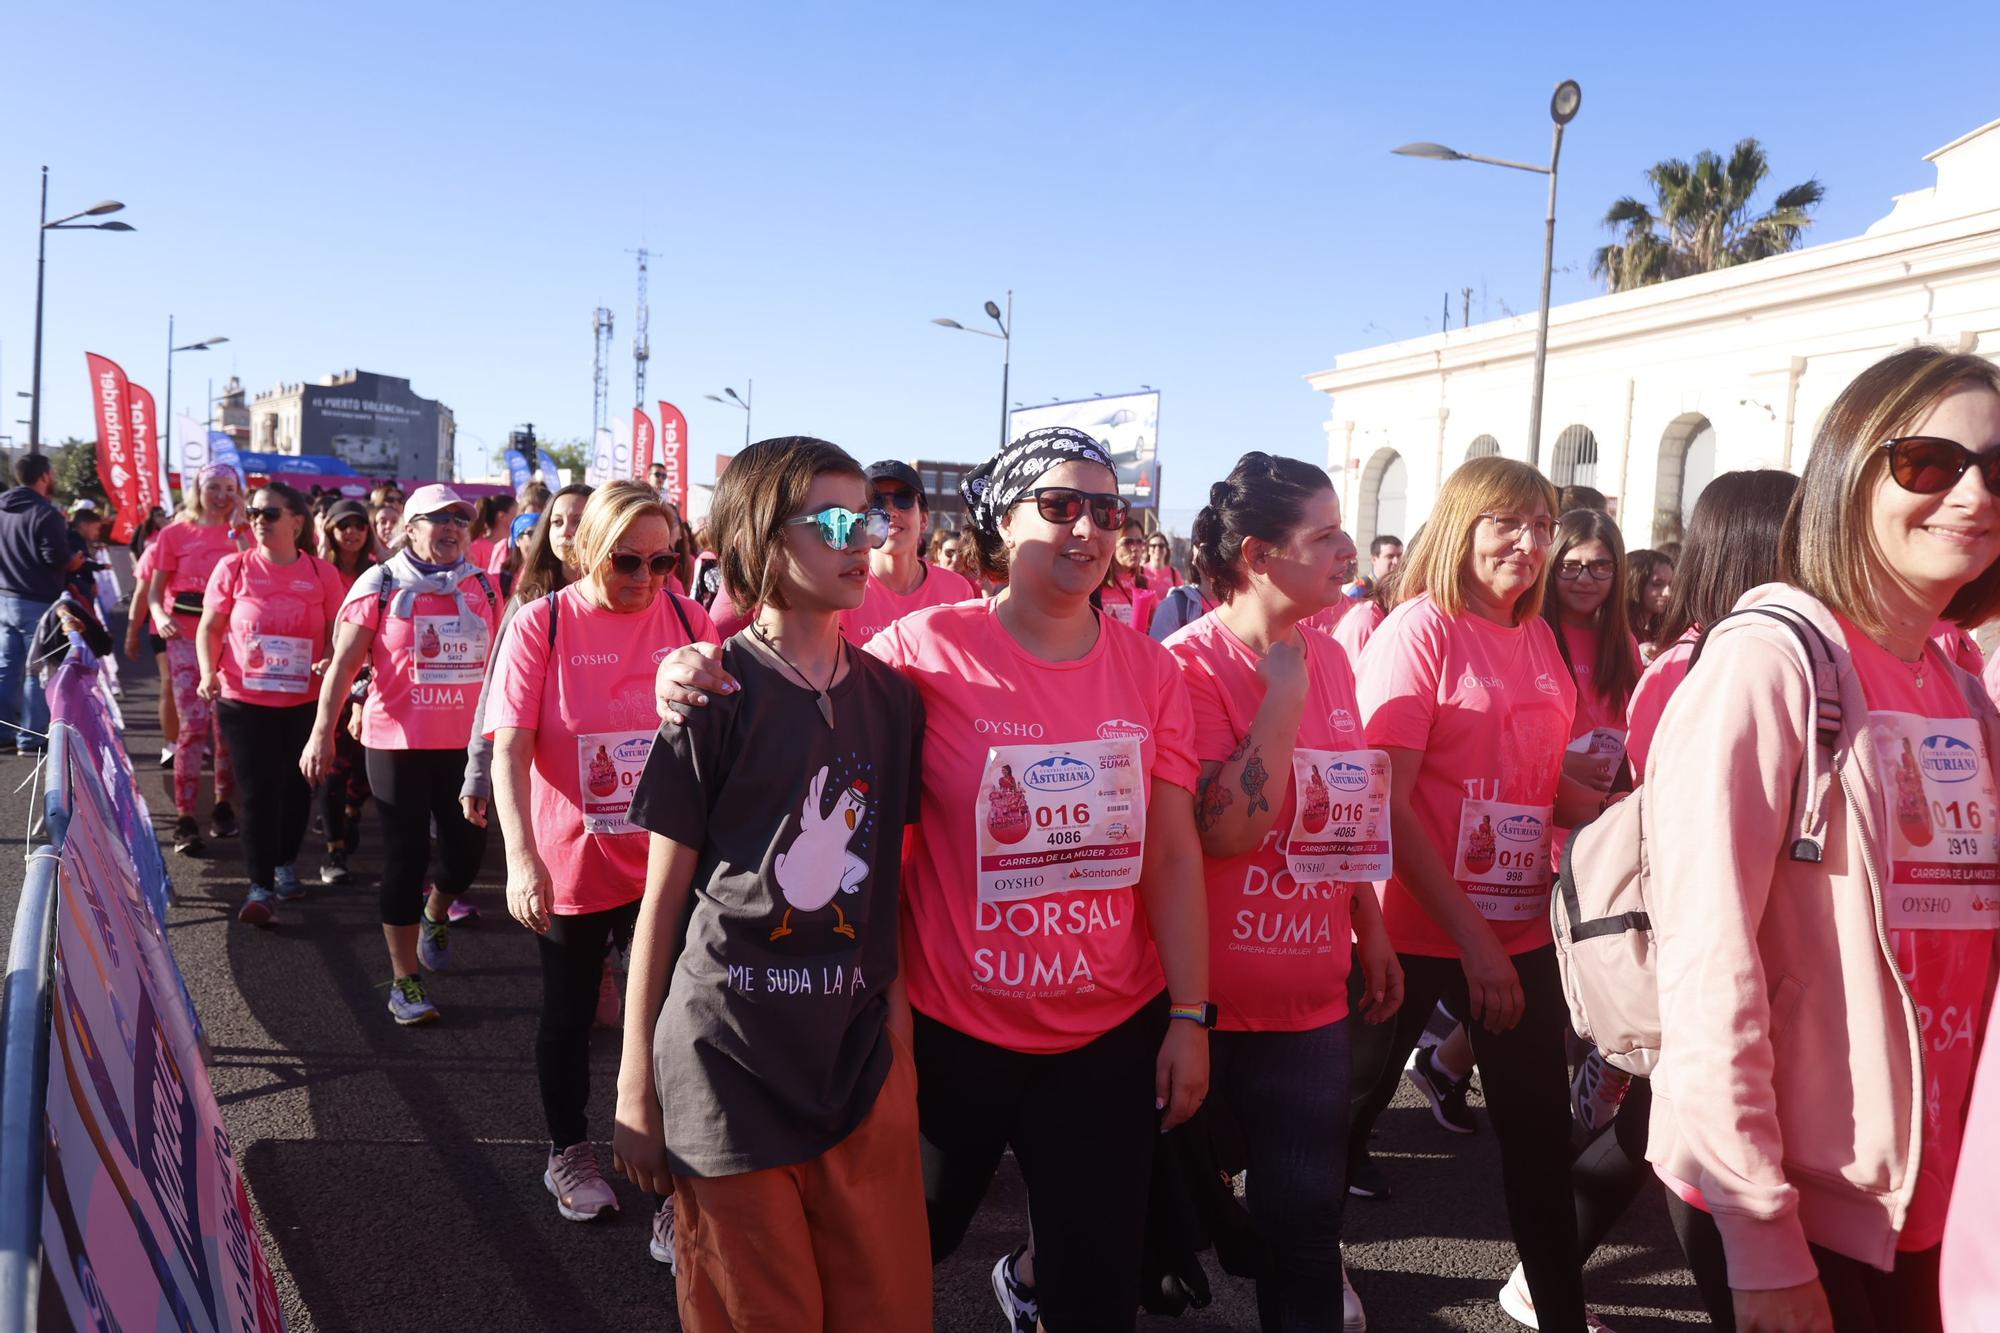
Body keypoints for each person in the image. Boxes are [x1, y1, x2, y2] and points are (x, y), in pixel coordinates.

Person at [652, 427, 1212, 1332]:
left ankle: (1037, 1286)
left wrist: (1190, 1013)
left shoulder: (1151, 667)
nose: (1089, 529)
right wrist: (680, 668)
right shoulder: (923, 650)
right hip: (954, 1028)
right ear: (1003, 523)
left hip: (1108, 1029)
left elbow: (1175, 852)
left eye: (1107, 510)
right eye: (1061, 506)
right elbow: (786, 662)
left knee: (1097, 1291)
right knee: (899, 1246)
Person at [1646, 346, 2000, 1333]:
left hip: (1936, 1182)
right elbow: (1705, 964)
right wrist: (1760, 1235)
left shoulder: (1958, 681)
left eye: (1997, 468)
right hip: (1803, 1195)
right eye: (1927, 464)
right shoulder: (1769, 664)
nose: (1969, 494)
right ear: (1850, 470)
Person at [610, 441, 927, 1325]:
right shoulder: (710, 692)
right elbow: (662, 904)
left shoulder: (896, 702)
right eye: (831, 521)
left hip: (859, 1066)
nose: (860, 538)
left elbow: (886, 894)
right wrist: (636, 1084)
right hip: (725, 1068)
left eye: (866, 517)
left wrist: (898, 1050)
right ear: (758, 538)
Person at [1347, 456, 1604, 1331]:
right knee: (1347, 1113)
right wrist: (1472, 937)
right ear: (1462, 525)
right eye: (1508, 523)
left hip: (1519, 920)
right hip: (1412, 925)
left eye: (1542, 525)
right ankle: (1302, 1261)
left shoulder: (1537, 635)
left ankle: (1558, 1309)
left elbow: (1540, 782)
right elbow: (1387, 799)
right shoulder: (1418, 631)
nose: (1530, 544)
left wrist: (1619, 804)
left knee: (1536, 1139)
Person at [1164, 452, 1402, 1332]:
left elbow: (1343, 811)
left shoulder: (1334, 656)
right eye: (1326, 534)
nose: (1348, 549)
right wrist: (1280, 699)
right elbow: (1223, 830)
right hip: (1199, 1006)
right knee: (1170, 1224)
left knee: (1306, 1225)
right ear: (1260, 555)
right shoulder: (1185, 667)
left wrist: (1367, 925)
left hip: (1309, 1006)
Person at [484, 480, 718, 1242]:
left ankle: (665, 1187)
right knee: (571, 1010)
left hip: (665, 860)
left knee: (667, 1019)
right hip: (574, 859)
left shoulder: (688, 616)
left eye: (664, 559)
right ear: (590, 548)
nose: (646, 578)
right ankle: (570, 1151)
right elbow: (509, 753)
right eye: (627, 560)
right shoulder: (541, 624)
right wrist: (522, 858)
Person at [302, 483, 502, 1026]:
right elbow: (345, 665)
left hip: (466, 749)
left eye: (460, 520)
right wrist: (323, 730)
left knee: (465, 857)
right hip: (397, 745)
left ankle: (437, 910)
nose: (453, 528)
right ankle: (404, 981)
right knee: (405, 858)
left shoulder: (482, 584)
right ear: (408, 529)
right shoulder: (381, 583)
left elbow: (500, 666)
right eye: (439, 520)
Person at [196, 482, 347, 925]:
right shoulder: (234, 567)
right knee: (259, 793)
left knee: (298, 788)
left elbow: (340, 632)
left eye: (270, 513)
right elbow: (209, 628)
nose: (259, 520)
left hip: (304, 702)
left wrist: (328, 658)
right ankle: (260, 885)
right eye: (255, 513)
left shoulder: (322, 574)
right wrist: (208, 672)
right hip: (245, 701)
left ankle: (285, 863)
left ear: (297, 522)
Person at [149, 464, 247, 855]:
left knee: (226, 731)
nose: (221, 494)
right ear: (197, 489)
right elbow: (156, 592)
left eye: (229, 487)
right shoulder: (174, 533)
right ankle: (186, 818)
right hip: (186, 640)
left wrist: (241, 528)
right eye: (213, 487)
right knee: (191, 729)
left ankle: (223, 806)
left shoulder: (243, 535)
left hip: (233, 643)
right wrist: (159, 618)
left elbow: (253, 575)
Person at [313, 499, 380, 885]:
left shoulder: (380, 574)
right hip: (325, 682)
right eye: (344, 525)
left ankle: (353, 811)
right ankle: (334, 849)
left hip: (370, 686)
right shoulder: (320, 571)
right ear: (331, 531)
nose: (352, 532)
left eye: (359, 525)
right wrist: (325, 656)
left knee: (364, 770)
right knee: (332, 768)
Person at [838, 460, 976, 642]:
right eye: (875, 502)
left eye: (903, 498)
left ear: (924, 519)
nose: (890, 511)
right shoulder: (843, 592)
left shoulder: (957, 591)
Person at [0, 454, 80, 755]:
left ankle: (3, 731)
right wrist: (73, 562)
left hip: (5, 597)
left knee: (7, 667)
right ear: (45, 476)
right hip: (36, 600)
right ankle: (31, 739)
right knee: (37, 670)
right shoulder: (46, 513)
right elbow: (56, 558)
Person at [1102, 517, 1159, 633]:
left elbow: (1161, 626)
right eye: (1128, 542)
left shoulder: (1144, 585)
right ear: (1112, 544)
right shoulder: (1096, 584)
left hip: (1135, 650)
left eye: (1140, 542)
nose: (1135, 548)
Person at [1625, 548, 1673, 653]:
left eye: (1670, 584)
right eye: (1657, 584)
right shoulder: (1618, 634)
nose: (1668, 593)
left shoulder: (1660, 634)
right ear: (1635, 583)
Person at [468, 493, 517, 574]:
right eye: (518, 513)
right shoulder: (476, 548)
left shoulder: (515, 549)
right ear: (502, 516)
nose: (521, 518)